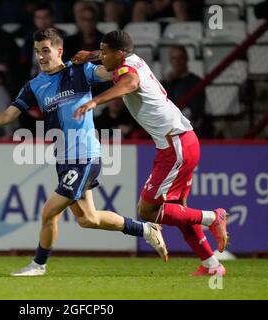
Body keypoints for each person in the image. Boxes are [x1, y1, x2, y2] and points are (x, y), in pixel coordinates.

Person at [0, 28, 168, 276]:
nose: (41, 57)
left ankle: (38, 264)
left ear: (59, 51)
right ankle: (145, 230)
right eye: (37, 52)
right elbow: (8, 115)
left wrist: (94, 56)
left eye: (46, 51)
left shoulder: (79, 72)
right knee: (89, 219)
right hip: (64, 159)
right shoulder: (34, 86)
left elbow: (114, 67)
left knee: (48, 212)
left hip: (85, 156)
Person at [72, 31, 228, 276]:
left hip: (175, 145)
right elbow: (115, 61)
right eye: (100, 51)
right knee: (177, 210)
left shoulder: (126, 70)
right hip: (182, 140)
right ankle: (212, 265)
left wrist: (94, 102)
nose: (101, 57)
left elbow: (130, 83)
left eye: (104, 52)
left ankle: (212, 218)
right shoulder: (132, 59)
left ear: (120, 53)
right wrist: (90, 55)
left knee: (147, 211)